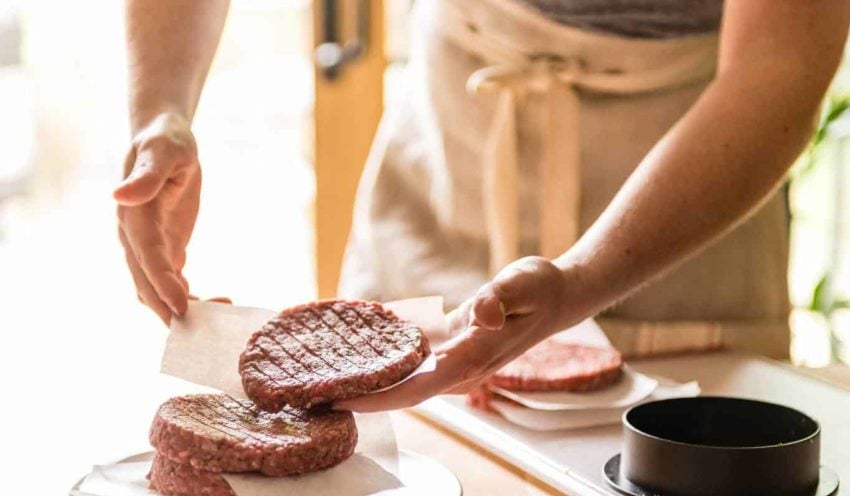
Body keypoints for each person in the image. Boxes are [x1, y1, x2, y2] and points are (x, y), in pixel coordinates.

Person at [114, 0, 850, 412]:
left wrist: (583, 279)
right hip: (448, 165)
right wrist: (161, 110)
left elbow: (779, 63)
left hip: (682, 212)